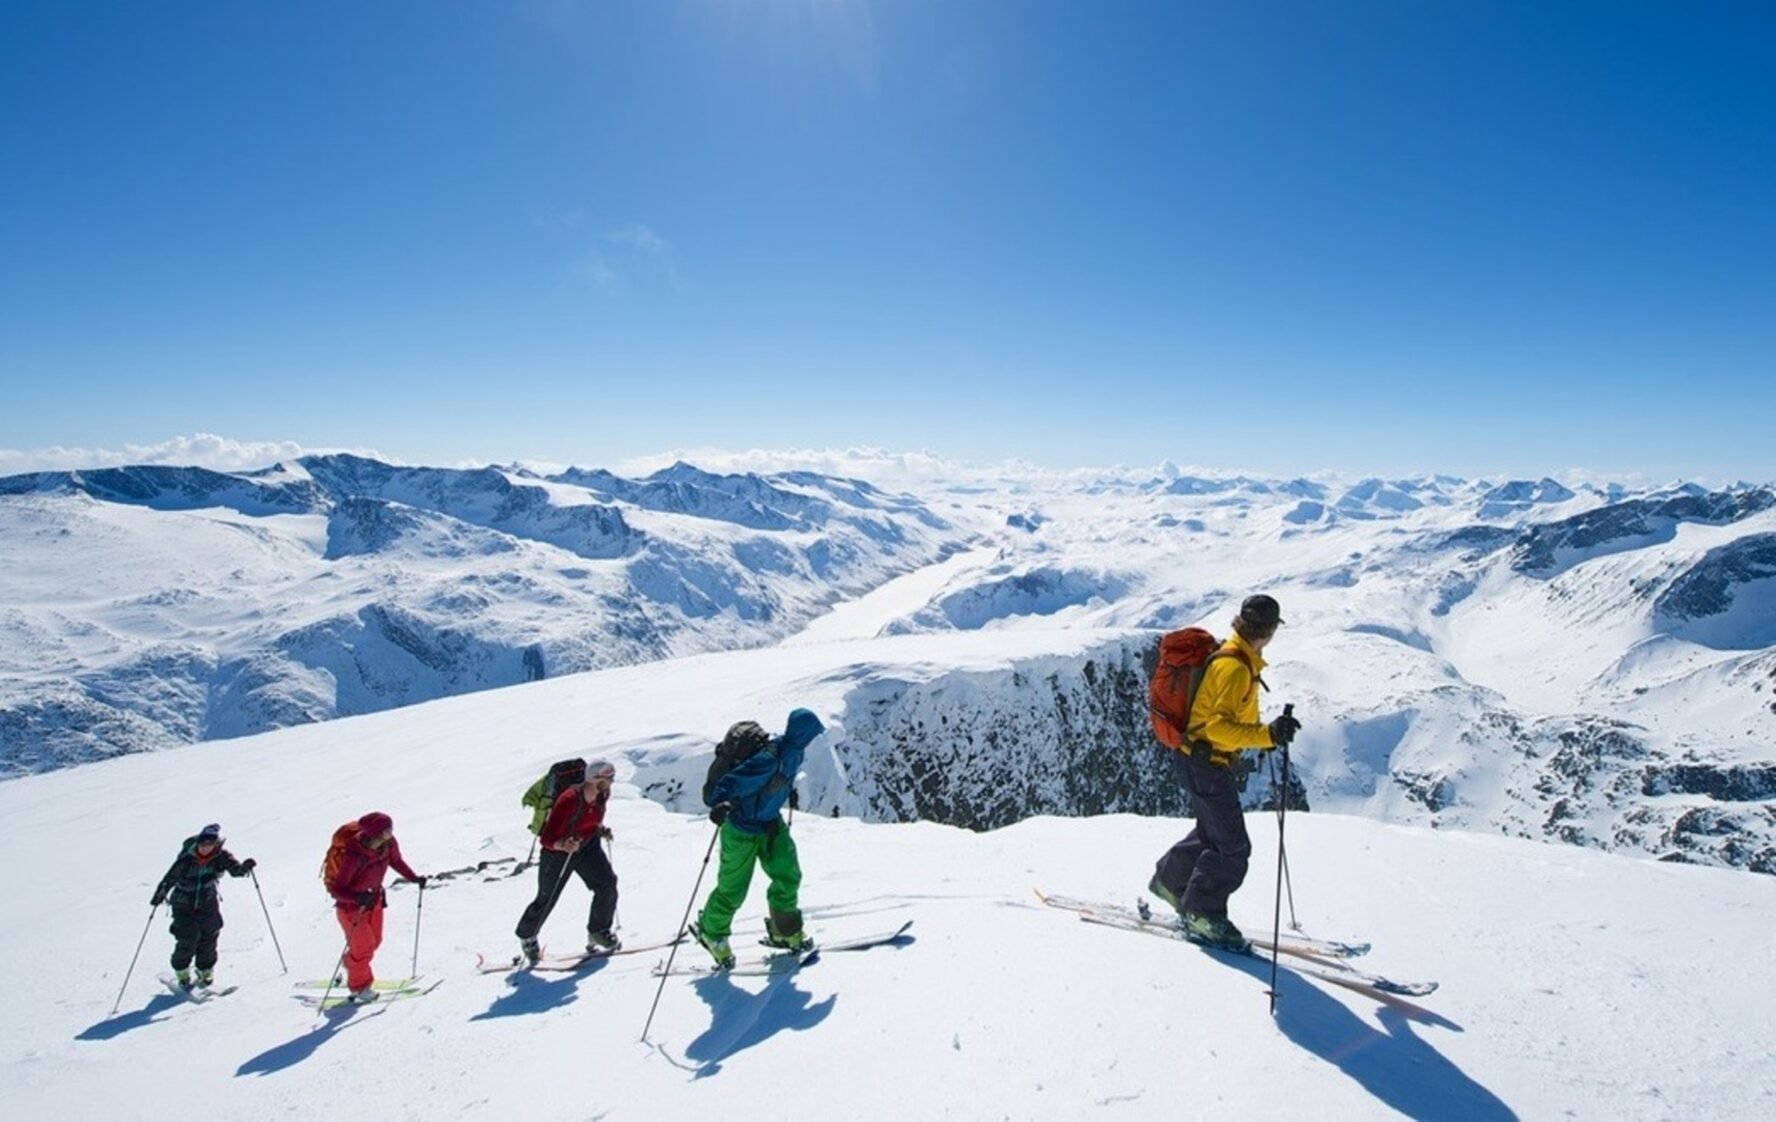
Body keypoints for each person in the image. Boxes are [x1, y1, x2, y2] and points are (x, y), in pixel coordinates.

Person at [1149, 594, 1302, 950]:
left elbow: (1225, 720)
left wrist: (1267, 734)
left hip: (1197, 759)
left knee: (1213, 834)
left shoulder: (1234, 657)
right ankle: (1202, 914)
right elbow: (1217, 727)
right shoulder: (1235, 667)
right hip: (1206, 762)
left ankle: (1171, 882)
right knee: (1232, 847)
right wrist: (1266, 735)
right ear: (1269, 632)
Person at [690, 709, 825, 969]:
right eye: (812, 733)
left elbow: (778, 780)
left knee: (788, 875)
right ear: (803, 733)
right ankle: (712, 931)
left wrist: (785, 791)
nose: (814, 738)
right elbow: (734, 782)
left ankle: (785, 931)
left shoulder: (795, 751)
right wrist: (722, 802)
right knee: (733, 889)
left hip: (770, 823)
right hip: (741, 830)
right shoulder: (768, 758)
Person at [514, 758, 620, 964]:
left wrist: (600, 830)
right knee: (547, 897)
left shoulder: (602, 795)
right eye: (608, 779)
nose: (611, 783)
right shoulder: (568, 799)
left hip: (587, 845)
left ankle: (599, 931)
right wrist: (562, 844)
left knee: (607, 883)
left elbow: (592, 817)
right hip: (557, 853)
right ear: (593, 778)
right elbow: (546, 838)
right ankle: (527, 935)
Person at [327, 811, 427, 1003]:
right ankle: (360, 988)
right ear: (375, 832)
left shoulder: (388, 844)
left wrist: (413, 878)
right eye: (387, 830)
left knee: (375, 942)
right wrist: (357, 898)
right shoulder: (354, 855)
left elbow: (396, 862)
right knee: (364, 949)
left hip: (374, 901)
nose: (391, 833)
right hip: (352, 909)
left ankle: (352, 964)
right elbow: (337, 890)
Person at [150, 823, 256, 989]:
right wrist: (160, 892)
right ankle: (181, 969)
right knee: (187, 936)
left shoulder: (221, 856)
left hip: (208, 899)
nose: (205, 848)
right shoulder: (186, 859)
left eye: (209, 844)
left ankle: (205, 969)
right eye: (203, 844)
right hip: (183, 902)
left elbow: (235, 871)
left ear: (215, 844)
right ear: (198, 843)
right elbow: (170, 877)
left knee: (210, 934)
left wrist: (245, 868)